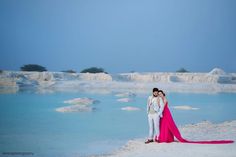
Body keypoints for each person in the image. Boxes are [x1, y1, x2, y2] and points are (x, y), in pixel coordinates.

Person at [156, 89, 234, 144]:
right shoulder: (160, 99)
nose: (160, 94)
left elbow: (164, 107)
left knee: (167, 125)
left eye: (160, 93)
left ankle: (167, 138)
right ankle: (165, 138)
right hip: (163, 113)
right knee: (163, 125)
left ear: (163, 94)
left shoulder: (165, 99)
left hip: (166, 113)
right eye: (159, 94)